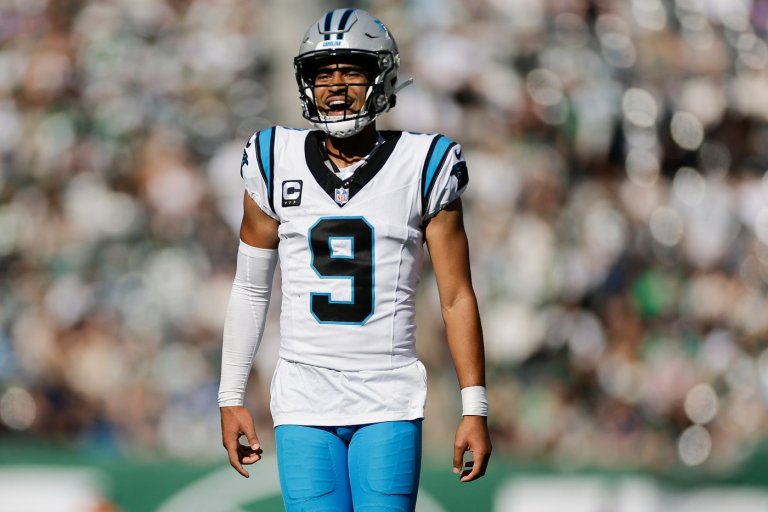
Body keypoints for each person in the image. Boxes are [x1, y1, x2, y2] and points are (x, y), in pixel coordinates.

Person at [218, 8, 491, 511]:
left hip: (388, 395)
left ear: (381, 78)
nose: (337, 86)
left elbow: (455, 295)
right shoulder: (273, 156)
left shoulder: (423, 162)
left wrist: (475, 405)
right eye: (324, 73)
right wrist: (230, 395)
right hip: (303, 397)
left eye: (352, 71)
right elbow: (251, 287)